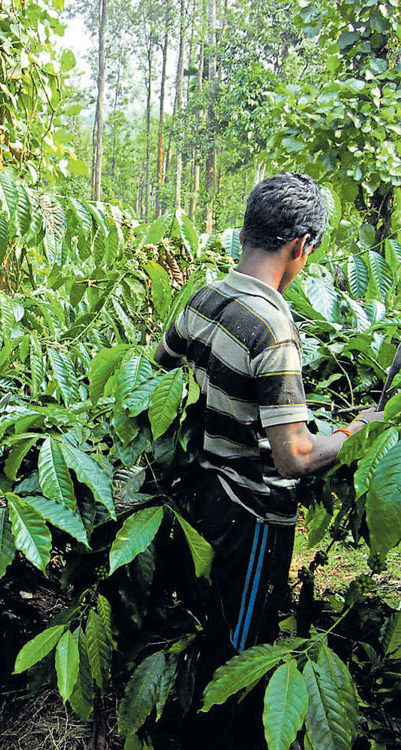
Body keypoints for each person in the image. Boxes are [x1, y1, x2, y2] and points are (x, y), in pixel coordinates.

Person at [154, 174, 382, 735]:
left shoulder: (206, 296)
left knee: (218, 628)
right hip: (253, 517)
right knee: (243, 653)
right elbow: (295, 458)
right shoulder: (273, 327)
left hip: (204, 499)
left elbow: (159, 375)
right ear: (301, 245)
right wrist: (360, 428)